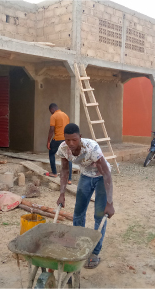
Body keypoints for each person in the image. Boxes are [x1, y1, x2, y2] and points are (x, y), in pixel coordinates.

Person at [55, 123, 116, 270]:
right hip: (85, 176)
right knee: (78, 213)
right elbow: (64, 171)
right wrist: (62, 194)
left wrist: (110, 202)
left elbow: (107, 173)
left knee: (99, 216)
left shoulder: (91, 147)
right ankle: (78, 245)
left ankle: (95, 252)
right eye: (68, 140)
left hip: (101, 177)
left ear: (80, 137)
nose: (71, 143)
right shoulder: (63, 148)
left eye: (74, 140)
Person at [46, 103, 72, 184]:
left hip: (57, 139)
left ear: (52, 109)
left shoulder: (53, 116)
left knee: (51, 153)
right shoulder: (65, 115)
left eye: (50, 111)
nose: (51, 113)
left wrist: (48, 141)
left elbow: (51, 129)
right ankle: (69, 179)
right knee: (68, 157)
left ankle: (54, 173)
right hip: (66, 139)